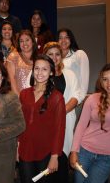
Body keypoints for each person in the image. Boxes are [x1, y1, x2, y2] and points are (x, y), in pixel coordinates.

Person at [18, 54, 66, 183]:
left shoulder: (57, 97)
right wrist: (17, 146)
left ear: (51, 72)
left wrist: (55, 156)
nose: (40, 72)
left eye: (45, 69)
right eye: (37, 68)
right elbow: (20, 123)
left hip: (45, 152)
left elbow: (59, 129)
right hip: (25, 150)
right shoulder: (24, 94)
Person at [43, 42, 81, 182]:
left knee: (62, 158)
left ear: (61, 56)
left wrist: (60, 112)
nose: (54, 57)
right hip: (44, 123)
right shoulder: (39, 72)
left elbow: (76, 96)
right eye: (50, 54)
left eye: (57, 54)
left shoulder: (70, 74)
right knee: (46, 162)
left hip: (65, 120)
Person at [57, 28, 89, 103]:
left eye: (66, 37)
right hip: (60, 99)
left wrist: (79, 100)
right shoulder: (55, 58)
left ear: (71, 39)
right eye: (60, 38)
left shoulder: (79, 54)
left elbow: (84, 80)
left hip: (75, 99)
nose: (63, 40)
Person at [6, 30, 37, 95]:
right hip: (18, 99)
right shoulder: (13, 57)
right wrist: (20, 100)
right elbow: (12, 81)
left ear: (33, 42)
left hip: (35, 98)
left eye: (27, 40)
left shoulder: (39, 59)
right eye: (21, 41)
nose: (24, 43)